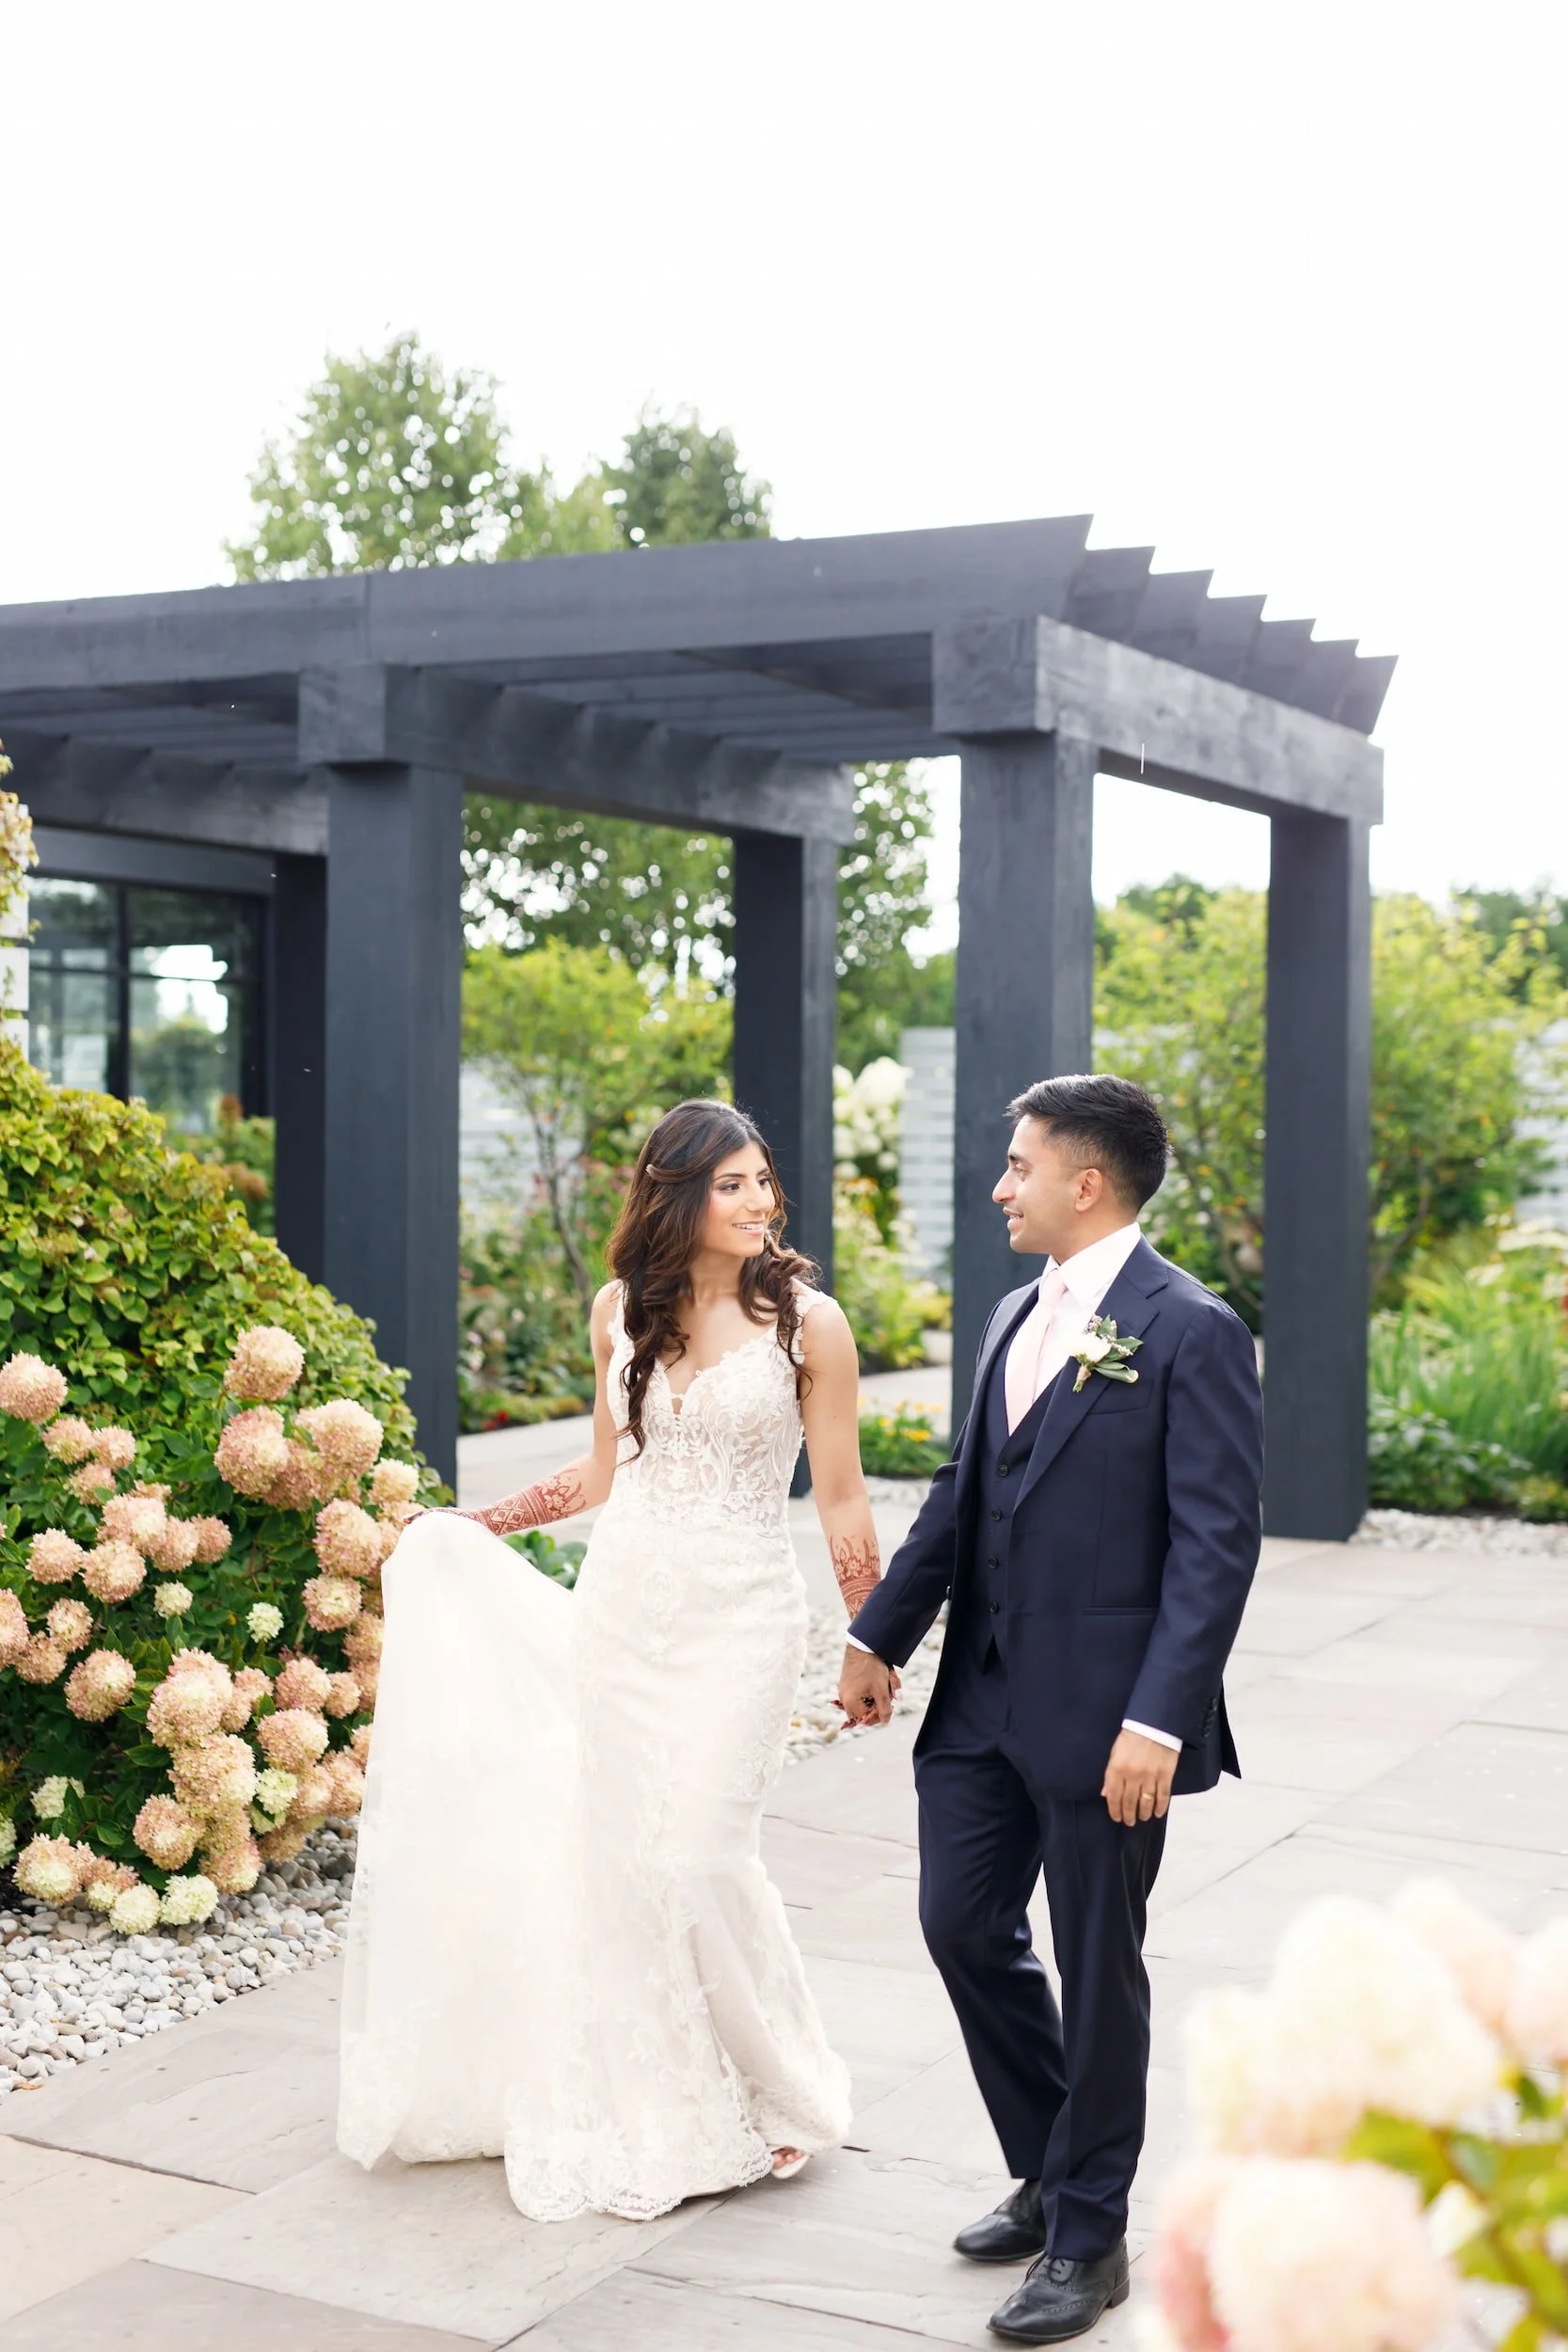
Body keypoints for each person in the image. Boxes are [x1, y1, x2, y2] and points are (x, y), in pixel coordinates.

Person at [337, 1099, 875, 2219]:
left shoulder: (807, 1325)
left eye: (762, 1181)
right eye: (731, 1183)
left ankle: (782, 2086)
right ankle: (683, 2090)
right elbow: (601, 1476)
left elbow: (839, 1492)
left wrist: (868, 1628)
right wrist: (481, 1522)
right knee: (627, 1864)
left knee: (702, 1855)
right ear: (675, 1192)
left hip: (740, 1618)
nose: (759, 1201)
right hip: (622, 1618)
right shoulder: (618, 1310)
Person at [839, 1073, 1263, 2345]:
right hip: (977, 1699)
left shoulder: (1187, 1328)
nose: (997, 1187)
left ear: (1086, 1181)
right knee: (960, 1923)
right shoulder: (1015, 1315)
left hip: (1106, 1722)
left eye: (1016, 1165)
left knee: (1100, 1964)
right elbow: (964, 1496)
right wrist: (878, 1634)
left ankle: (1088, 2238)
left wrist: (1158, 1719)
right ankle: (1049, 2161)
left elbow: (1212, 1546)